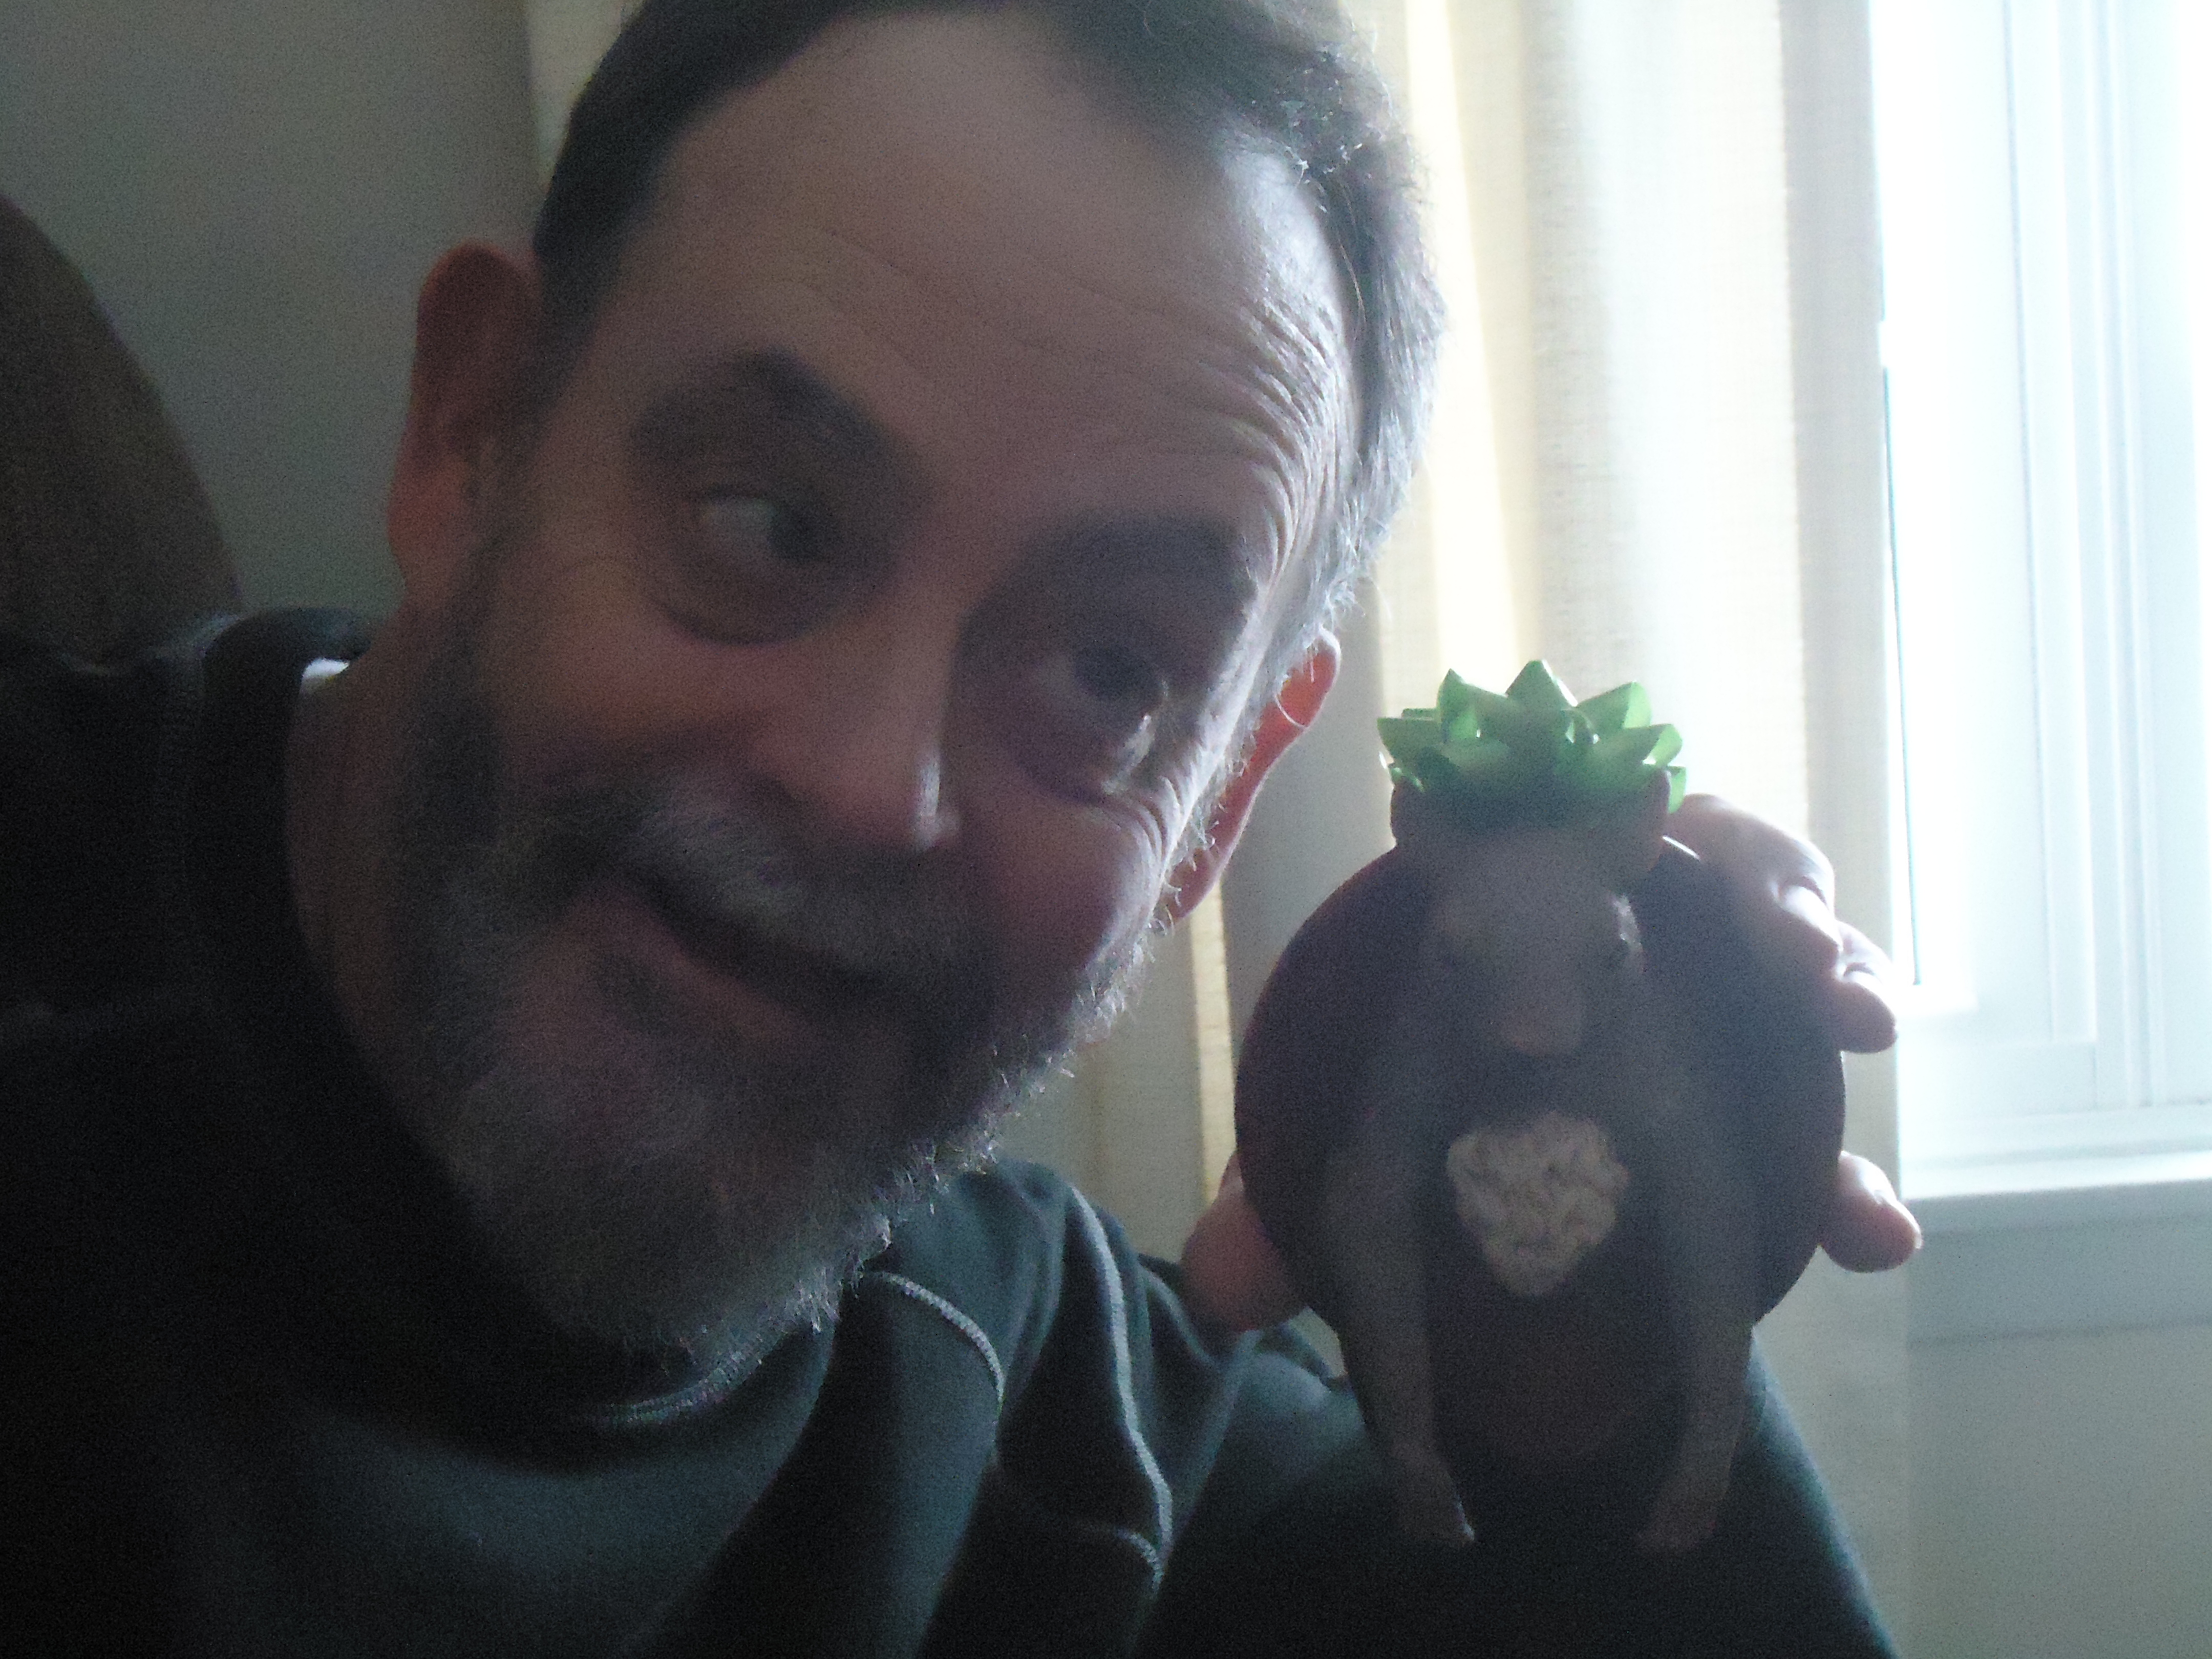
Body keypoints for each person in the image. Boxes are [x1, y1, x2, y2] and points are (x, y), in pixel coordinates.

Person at [0, 0, 1918, 1652]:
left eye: (1106, 673)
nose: (868, 784)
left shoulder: (1084, 1452)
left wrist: (1583, 1267)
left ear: (1217, 808)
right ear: (474, 433)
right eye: (768, 524)